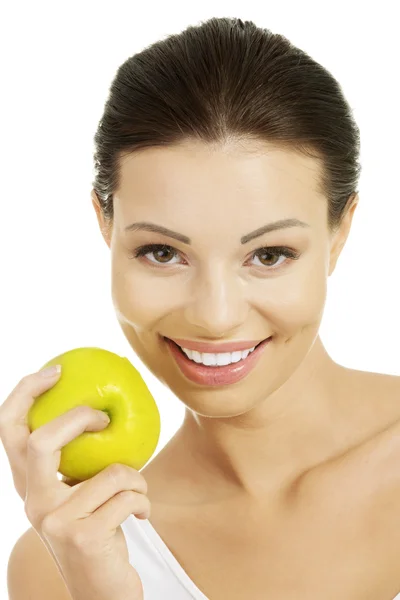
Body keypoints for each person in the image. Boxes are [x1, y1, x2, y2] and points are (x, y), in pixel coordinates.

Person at [2, 15, 400, 600]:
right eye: (163, 252)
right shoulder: (65, 555)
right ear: (104, 226)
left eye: (269, 254)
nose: (214, 316)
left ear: (339, 234)